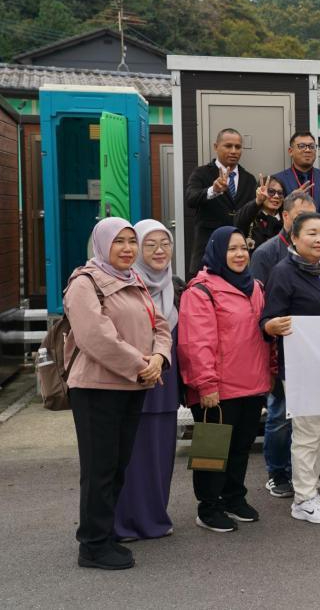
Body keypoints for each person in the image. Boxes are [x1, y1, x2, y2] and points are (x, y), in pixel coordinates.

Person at [64, 218, 171, 570]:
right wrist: (142, 364)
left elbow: (160, 325)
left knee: (117, 465)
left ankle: (105, 533)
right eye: (119, 242)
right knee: (100, 468)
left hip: (132, 385)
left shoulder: (134, 279)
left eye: (130, 241)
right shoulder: (85, 282)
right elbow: (96, 337)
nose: (127, 248)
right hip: (97, 388)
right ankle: (92, 545)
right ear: (102, 244)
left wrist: (159, 357)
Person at [179, 227, 271, 533]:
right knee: (212, 450)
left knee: (240, 448)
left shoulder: (255, 286)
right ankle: (208, 507)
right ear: (218, 252)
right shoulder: (201, 290)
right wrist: (206, 385)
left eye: (243, 248)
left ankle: (234, 497)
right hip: (217, 388)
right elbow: (196, 342)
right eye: (232, 249)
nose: (239, 254)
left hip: (253, 383)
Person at [261, 212, 320, 524]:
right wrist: (271, 324)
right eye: (311, 233)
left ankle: (312, 489)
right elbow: (269, 318)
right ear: (295, 238)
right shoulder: (284, 272)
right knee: (307, 432)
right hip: (301, 367)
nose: (319, 239)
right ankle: (303, 499)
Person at [114, 220, 182, 542]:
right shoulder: (125, 284)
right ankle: (124, 523)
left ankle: (155, 518)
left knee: (159, 454)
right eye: (150, 244)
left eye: (165, 244)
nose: (159, 251)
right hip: (131, 381)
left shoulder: (175, 286)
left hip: (166, 385)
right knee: (130, 455)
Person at [249, 189, 320, 498]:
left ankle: (302, 470)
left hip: (314, 354)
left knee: (309, 417)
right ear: (287, 217)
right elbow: (260, 304)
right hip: (281, 352)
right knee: (280, 415)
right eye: (305, 219)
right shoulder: (267, 254)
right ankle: (278, 472)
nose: (314, 230)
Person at [184, 128, 258, 275]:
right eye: (228, 146)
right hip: (208, 247)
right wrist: (214, 190)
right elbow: (191, 199)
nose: (233, 151)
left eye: (238, 147)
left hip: (237, 250)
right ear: (216, 147)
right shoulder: (202, 173)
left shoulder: (249, 179)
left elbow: (250, 214)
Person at [273, 131, 320, 224]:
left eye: (311, 146)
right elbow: (273, 213)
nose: (307, 150)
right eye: (302, 146)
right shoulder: (278, 179)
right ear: (290, 151)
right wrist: (289, 200)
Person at [234, 173, 285, 252]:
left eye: (280, 193)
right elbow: (238, 221)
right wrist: (258, 201)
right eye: (271, 192)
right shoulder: (251, 218)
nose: (276, 196)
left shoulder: (286, 220)